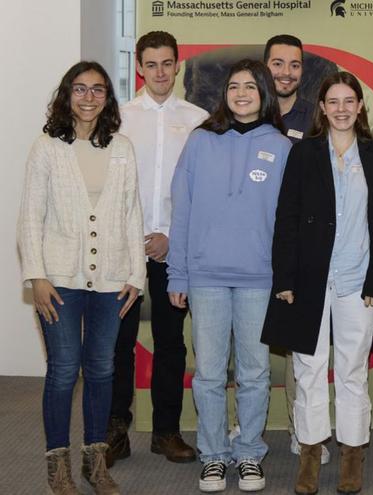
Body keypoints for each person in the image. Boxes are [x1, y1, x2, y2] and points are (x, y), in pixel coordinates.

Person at [260, 71, 373, 495]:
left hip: (358, 283)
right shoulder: (303, 155)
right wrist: (284, 278)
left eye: (348, 101)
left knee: (353, 373)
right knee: (309, 370)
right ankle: (310, 456)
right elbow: (286, 218)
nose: (340, 109)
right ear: (322, 107)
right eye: (332, 101)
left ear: (359, 106)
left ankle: (353, 457)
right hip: (310, 283)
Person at [18, 61, 145, 495]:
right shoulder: (48, 147)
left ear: (108, 98)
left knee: (102, 369)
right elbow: (30, 217)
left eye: (97, 90)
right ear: (66, 95)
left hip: (112, 280)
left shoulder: (123, 148)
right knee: (63, 370)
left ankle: (96, 461)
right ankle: (58, 465)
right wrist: (35, 275)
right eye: (80, 89)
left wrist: (136, 275)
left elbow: (132, 214)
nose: (88, 97)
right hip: (59, 280)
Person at [166, 59, 291, 493]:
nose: (241, 93)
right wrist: (177, 275)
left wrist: (285, 278)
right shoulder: (200, 141)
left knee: (256, 372)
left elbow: (287, 221)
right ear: (225, 94)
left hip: (260, 277)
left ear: (264, 94)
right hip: (206, 277)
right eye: (234, 86)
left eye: (251, 87)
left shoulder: (280, 146)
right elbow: (181, 210)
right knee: (210, 374)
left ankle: (249, 453)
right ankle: (214, 456)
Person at [107, 30, 208, 466]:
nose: (160, 72)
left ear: (178, 65)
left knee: (171, 343)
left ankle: (166, 431)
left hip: (174, 248)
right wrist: (133, 235)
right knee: (117, 343)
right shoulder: (120, 119)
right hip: (124, 248)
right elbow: (110, 189)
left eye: (168, 63)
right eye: (152, 64)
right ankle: (114, 431)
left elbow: (202, 191)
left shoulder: (200, 119)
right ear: (140, 67)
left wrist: (170, 236)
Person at [262, 32, 332, 467]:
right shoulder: (246, 109)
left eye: (294, 65)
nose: (285, 72)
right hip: (250, 244)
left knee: (299, 344)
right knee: (244, 342)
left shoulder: (317, 119)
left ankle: (301, 430)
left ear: (303, 71)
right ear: (264, 64)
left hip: (300, 248)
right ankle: (242, 427)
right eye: (277, 63)